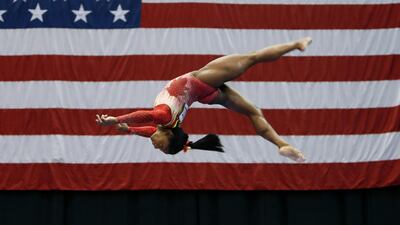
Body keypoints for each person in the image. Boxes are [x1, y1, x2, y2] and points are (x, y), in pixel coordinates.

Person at [96, 37, 312, 162]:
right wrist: (115, 120)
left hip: (204, 96)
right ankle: (296, 45)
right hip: (201, 81)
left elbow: (148, 131)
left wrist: (129, 130)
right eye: (162, 148)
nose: (156, 148)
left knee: (253, 112)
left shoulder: (165, 126)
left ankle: (282, 145)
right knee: (251, 58)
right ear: (169, 137)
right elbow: (146, 115)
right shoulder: (164, 118)